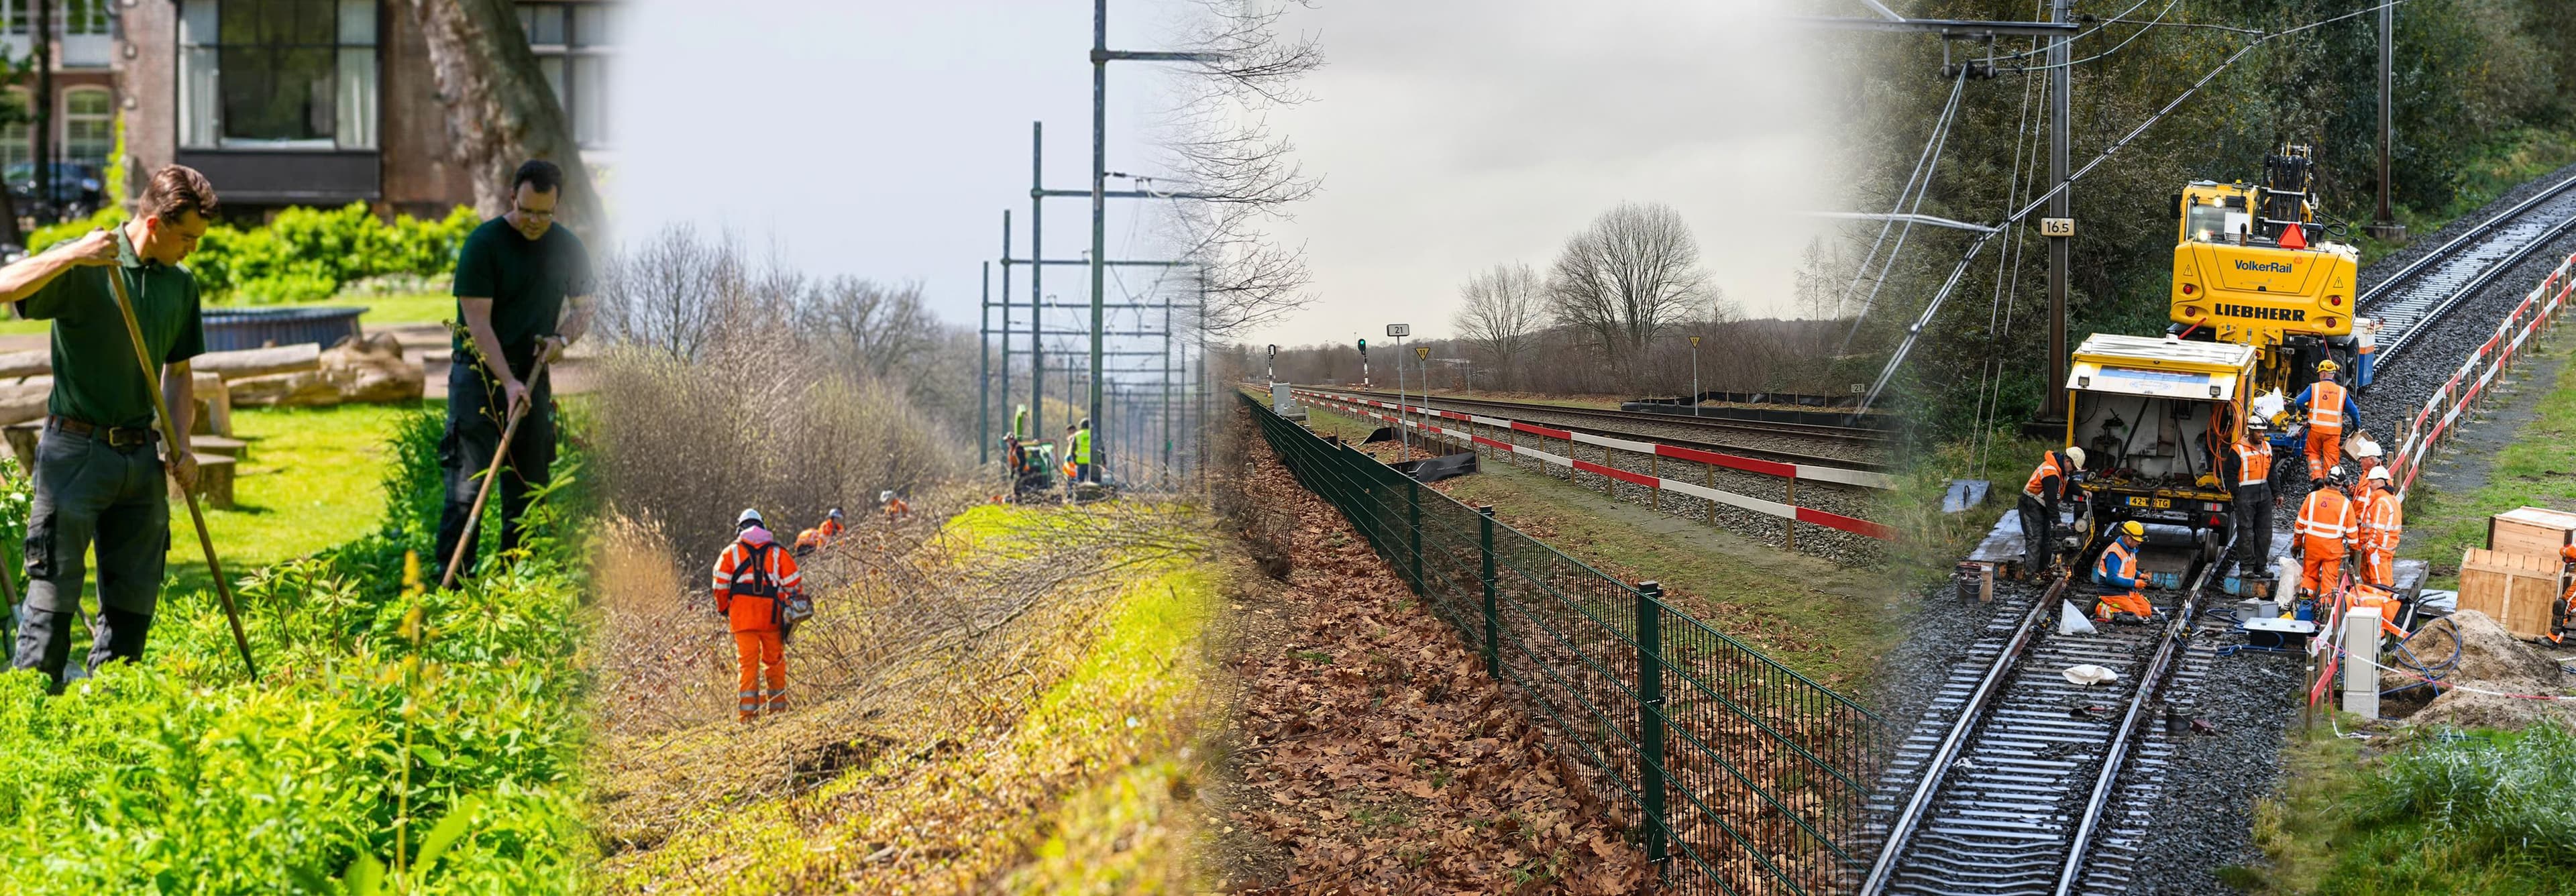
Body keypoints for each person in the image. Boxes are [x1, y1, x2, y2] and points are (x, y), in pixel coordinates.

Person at [3, 166, 215, 691]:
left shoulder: (180, 286)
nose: (192, 248)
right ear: (153, 224)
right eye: (186, 236)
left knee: (134, 596)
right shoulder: (86, 266)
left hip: (140, 459)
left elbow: (179, 371)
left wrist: (182, 447)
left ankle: (112, 707)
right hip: (74, 452)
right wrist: (71, 253)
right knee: (54, 590)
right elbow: (3, 288)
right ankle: (34, 709)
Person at [433, 160, 596, 584]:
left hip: (534, 373)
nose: (535, 221)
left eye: (545, 212)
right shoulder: (484, 245)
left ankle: (514, 585)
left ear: (556, 206)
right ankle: (453, 589)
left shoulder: (567, 247)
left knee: (527, 489)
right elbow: (477, 322)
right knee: (467, 490)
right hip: (478, 378)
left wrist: (560, 341)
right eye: (527, 211)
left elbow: (584, 309)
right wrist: (508, 383)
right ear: (512, 198)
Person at [713, 509, 802, 722]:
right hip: (771, 617)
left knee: (747, 666)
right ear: (762, 526)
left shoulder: (730, 553)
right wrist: (791, 608)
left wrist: (725, 609)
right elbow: (794, 585)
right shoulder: (779, 552)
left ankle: (748, 717)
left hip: (742, 619)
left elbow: (719, 586)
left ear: (739, 528)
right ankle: (778, 713)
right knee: (775, 663)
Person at [2292, 467, 2359, 606]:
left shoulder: (2313, 497)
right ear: (2342, 484)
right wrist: (2353, 552)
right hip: (2332, 551)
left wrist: (2297, 545)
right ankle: (2325, 609)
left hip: (2312, 548)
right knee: (2329, 581)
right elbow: (2353, 535)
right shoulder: (2346, 504)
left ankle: (2304, 606)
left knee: (2309, 576)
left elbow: (2299, 526)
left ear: (2327, 479)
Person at [2018, 446, 2087, 575]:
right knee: (2035, 539)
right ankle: (2031, 574)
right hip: (2030, 505)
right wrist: (2057, 522)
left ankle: (2043, 571)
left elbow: (2069, 483)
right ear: (2068, 461)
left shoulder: (2061, 470)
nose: (2072, 471)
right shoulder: (2051, 473)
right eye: (2073, 468)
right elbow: (2051, 501)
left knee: (2046, 540)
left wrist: (2082, 491)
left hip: (2040, 505)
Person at [2291, 360, 2360, 486]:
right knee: (2331, 458)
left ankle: (2317, 478)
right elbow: (2354, 412)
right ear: (2333, 374)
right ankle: (2328, 483)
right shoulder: (2342, 392)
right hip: (2333, 433)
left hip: (2316, 430)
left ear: (2322, 374)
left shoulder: (2314, 388)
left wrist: (2304, 413)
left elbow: (2299, 401)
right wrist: (2356, 426)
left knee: (2313, 453)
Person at [2225, 416, 2275, 573]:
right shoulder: (2238, 449)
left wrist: (2277, 493)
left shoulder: (2267, 448)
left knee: (2265, 532)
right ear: (2251, 432)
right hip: (2246, 495)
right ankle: (2246, 567)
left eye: (2263, 432)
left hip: (2264, 493)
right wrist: (2237, 493)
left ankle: (2261, 567)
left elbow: (2272, 472)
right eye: (2259, 432)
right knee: (2246, 531)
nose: (2262, 435)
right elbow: (2229, 474)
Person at [2091, 520, 2155, 623]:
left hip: (2126, 591)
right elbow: (2111, 579)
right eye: (2137, 540)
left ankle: (2121, 608)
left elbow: (2127, 570)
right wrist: (2135, 583)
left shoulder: (2130, 549)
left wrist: (2140, 575)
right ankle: (2102, 608)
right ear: (2128, 539)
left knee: (2146, 612)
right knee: (2136, 616)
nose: (2139, 543)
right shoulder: (2115, 554)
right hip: (2112, 592)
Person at [2355, 467, 2403, 589]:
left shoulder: (2380, 502)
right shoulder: (2393, 499)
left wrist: (2370, 548)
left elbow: (2378, 530)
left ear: (2382, 482)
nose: (2369, 485)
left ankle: (2383, 604)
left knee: (2379, 584)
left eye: (2372, 482)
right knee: (2386, 579)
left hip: (2378, 550)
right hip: (2387, 547)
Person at [1072, 417, 1094, 484]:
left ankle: (1081, 493)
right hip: (1093, 463)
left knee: (1080, 483)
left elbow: (1073, 450)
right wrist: (1104, 461)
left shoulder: (1077, 435)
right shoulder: (1094, 434)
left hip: (1081, 462)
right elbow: (1101, 448)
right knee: (1092, 483)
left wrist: (1075, 461)